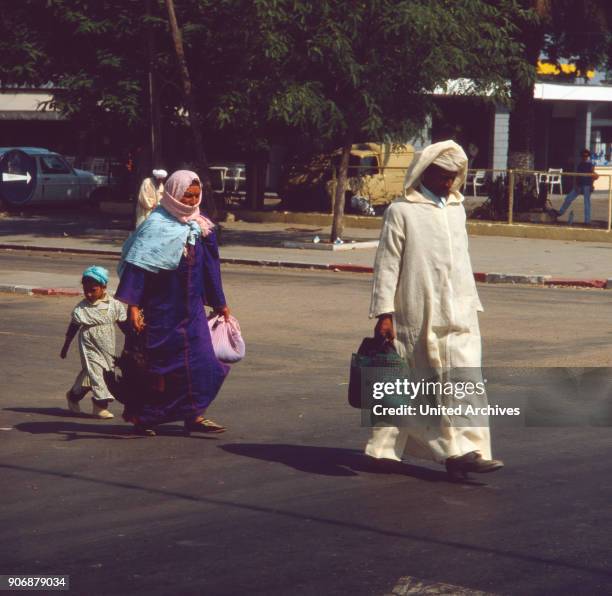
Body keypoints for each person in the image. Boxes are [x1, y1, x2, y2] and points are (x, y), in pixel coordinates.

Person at [365, 140, 504, 480]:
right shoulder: (402, 212)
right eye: (442, 176)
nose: (447, 183)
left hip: (460, 313)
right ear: (425, 172)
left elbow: (462, 261)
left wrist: (471, 301)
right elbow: (387, 265)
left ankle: (470, 450)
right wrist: (385, 313)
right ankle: (385, 448)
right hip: (417, 311)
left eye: (453, 177)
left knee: (466, 382)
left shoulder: (457, 210)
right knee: (413, 385)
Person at [115, 170, 230, 436]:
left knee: (202, 364)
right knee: (159, 370)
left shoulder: (202, 227)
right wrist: (133, 307)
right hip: (161, 311)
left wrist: (219, 303)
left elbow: (211, 268)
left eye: (195, 195)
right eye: (186, 195)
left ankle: (194, 414)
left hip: (192, 310)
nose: (191, 200)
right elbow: (138, 267)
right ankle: (144, 418)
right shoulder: (155, 225)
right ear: (173, 193)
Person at [60, 266, 127, 419]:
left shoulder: (114, 305)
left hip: (107, 346)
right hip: (89, 344)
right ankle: (99, 406)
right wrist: (65, 346)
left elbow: (124, 326)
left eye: (93, 290)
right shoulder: (82, 308)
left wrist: (135, 338)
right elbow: (73, 328)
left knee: (97, 373)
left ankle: (73, 396)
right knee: (97, 372)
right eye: (86, 290)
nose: (89, 294)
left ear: (104, 287)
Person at [555, 149, 598, 225]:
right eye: (583, 156)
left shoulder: (590, 164)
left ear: (588, 156)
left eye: (586, 156)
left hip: (587, 186)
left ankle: (587, 221)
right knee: (568, 198)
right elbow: (577, 176)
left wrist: (592, 184)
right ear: (581, 157)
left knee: (587, 203)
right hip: (579, 185)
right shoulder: (580, 164)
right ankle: (560, 212)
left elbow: (594, 176)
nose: (585, 157)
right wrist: (576, 185)